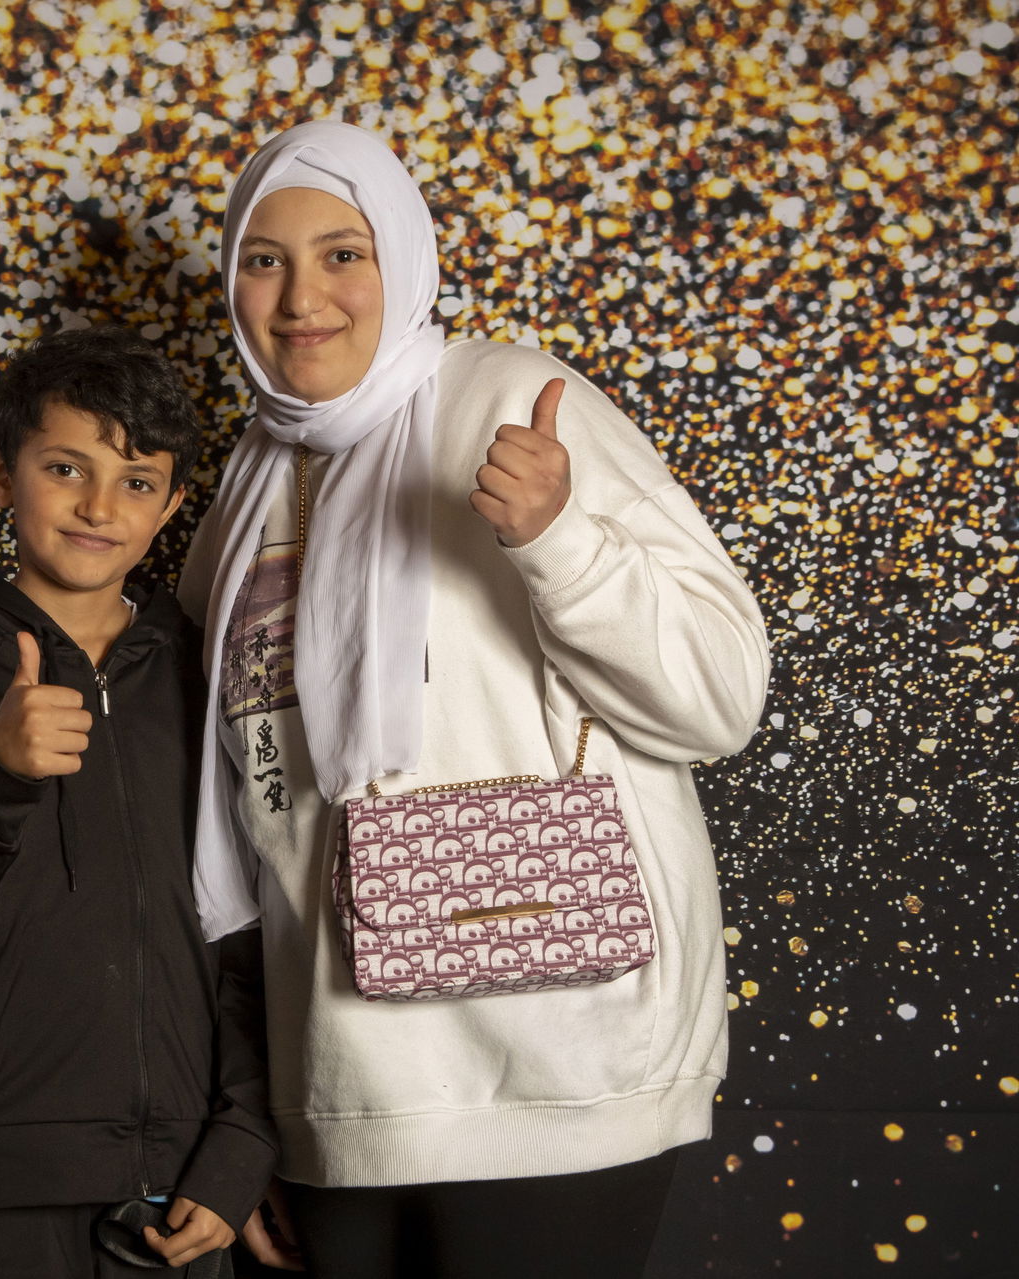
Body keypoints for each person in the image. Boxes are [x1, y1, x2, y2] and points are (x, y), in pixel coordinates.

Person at [178, 121, 771, 1278]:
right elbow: (257, 820)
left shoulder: (512, 397)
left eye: (343, 252)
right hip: (344, 1092)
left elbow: (719, 697)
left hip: (558, 1065)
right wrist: (259, 1123)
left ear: (403, 257)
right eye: (264, 259)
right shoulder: (241, 494)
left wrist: (562, 542)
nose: (303, 296)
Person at [0, 326, 280, 1278]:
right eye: (65, 467)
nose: (98, 505)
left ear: (171, 505)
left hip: (183, 1175)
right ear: (1, 473)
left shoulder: (209, 663)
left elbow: (249, 912)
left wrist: (244, 1134)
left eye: (136, 481)